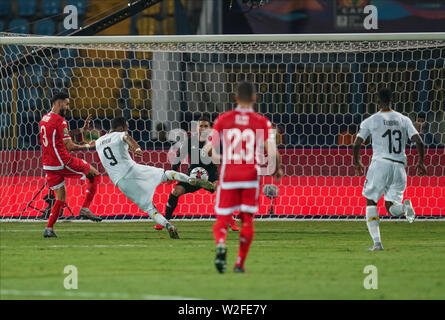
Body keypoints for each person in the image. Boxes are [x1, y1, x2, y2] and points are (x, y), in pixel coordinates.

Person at [205, 81, 283, 273]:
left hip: (229, 173)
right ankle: (239, 263)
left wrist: (221, 157)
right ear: (255, 98)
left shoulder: (223, 119)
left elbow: (207, 150)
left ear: (236, 98)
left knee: (222, 217)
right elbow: (272, 153)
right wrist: (277, 169)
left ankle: (221, 244)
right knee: (247, 219)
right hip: (250, 175)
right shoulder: (261, 122)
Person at [95, 117, 215, 239]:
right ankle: (190, 179)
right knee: (166, 174)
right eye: (127, 126)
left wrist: (82, 132)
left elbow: (84, 145)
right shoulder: (120, 134)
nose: (128, 128)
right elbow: (127, 138)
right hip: (133, 169)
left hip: (120, 181)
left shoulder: (98, 141)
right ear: (121, 127)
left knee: (149, 207)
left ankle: (168, 225)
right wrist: (136, 148)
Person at [353, 88, 427, 251]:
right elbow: (419, 141)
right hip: (400, 167)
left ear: (377, 101)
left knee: (371, 201)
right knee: (391, 207)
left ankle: (377, 243)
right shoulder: (404, 119)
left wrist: (357, 161)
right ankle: (405, 208)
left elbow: (357, 143)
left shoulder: (372, 120)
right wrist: (421, 162)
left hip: (381, 164)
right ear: (392, 101)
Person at [154, 115, 239, 231]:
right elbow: (178, 158)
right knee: (175, 191)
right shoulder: (189, 141)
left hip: (210, 175)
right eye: (201, 126)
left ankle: (230, 219)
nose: (203, 128)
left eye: (206, 126)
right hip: (193, 176)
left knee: (220, 190)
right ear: (197, 127)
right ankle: (165, 220)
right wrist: (171, 175)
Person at [39, 92, 102, 238]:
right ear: (59, 103)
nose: (68, 107)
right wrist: (88, 146)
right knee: (95, 174)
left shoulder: (45, 119)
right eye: (66, 104)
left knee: (60, 198)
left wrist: (81, 130)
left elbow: (60, 135)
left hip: (49, 165)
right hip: (63, 162)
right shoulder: (60, 120)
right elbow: (70, 146)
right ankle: (85, 208)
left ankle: (49, 228)